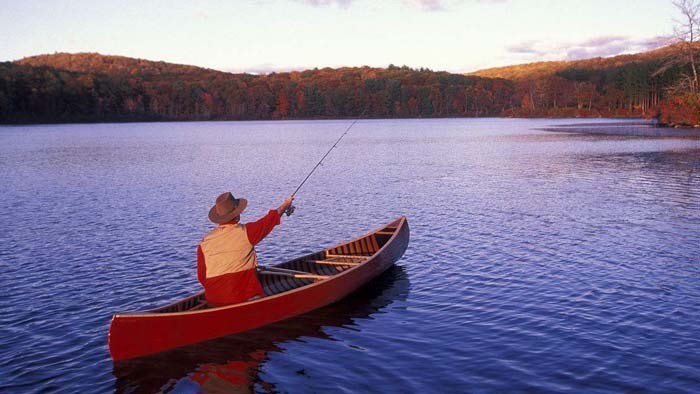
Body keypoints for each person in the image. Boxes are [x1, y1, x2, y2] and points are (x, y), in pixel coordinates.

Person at [197, 192, 294, 305]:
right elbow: (268, 221)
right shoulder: (246, 232)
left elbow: (202, 277)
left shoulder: (204, 242)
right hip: (242, 298)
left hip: (213, 300)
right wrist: (285, 204)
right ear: (237, 215)